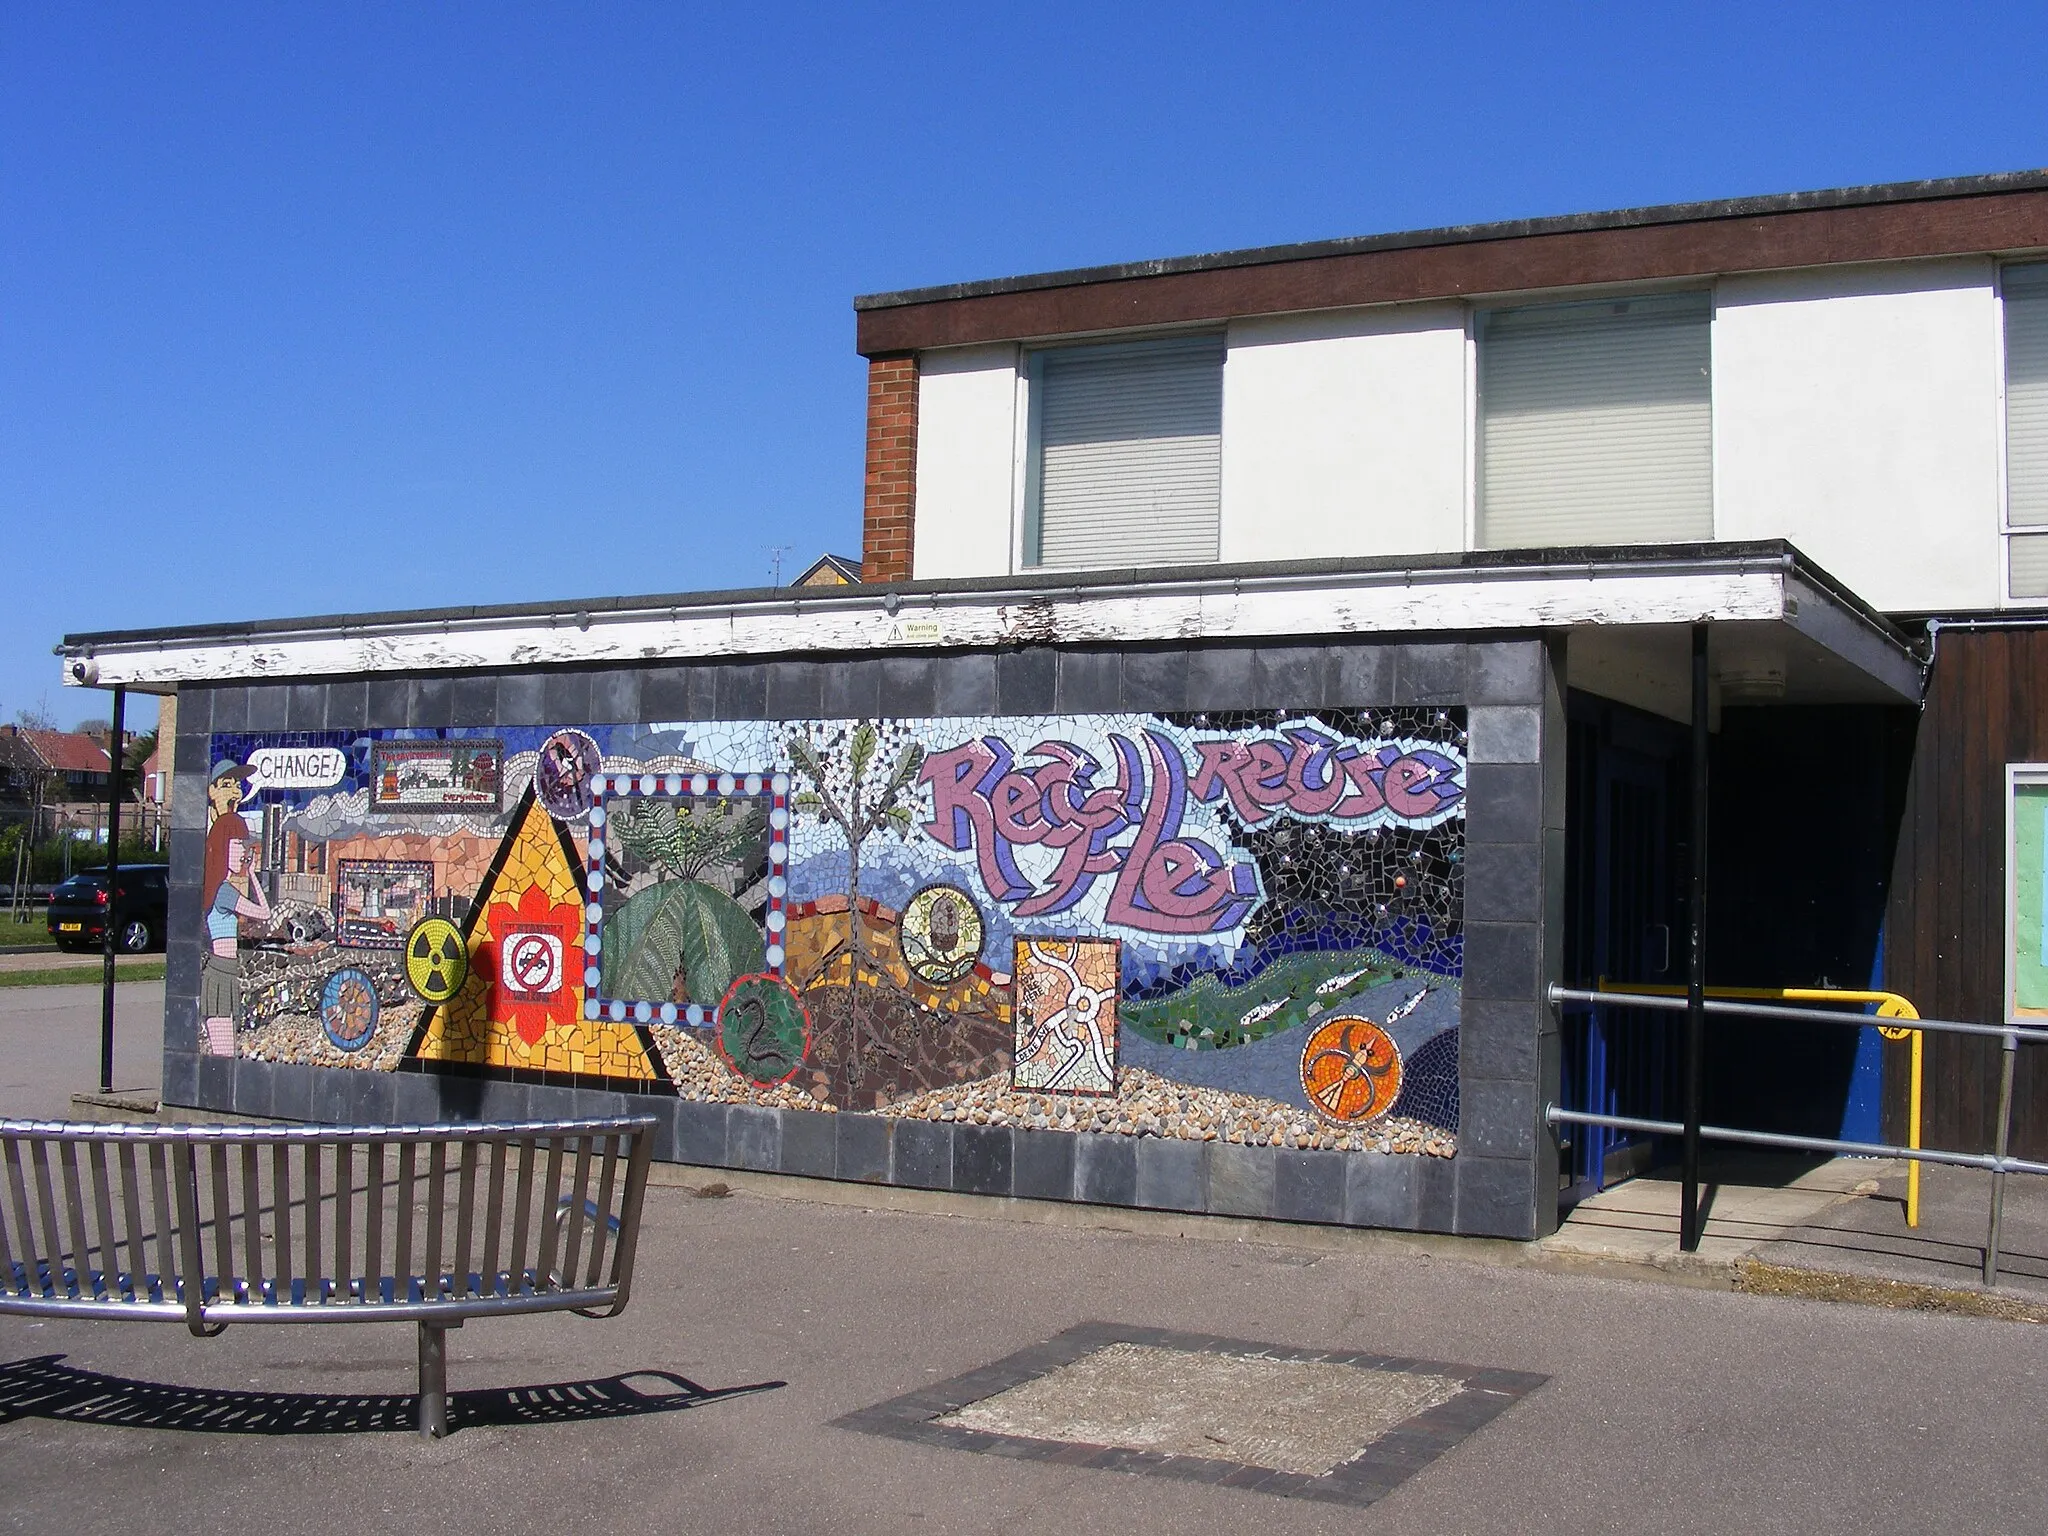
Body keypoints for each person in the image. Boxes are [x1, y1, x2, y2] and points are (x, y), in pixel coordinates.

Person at [199, 810, 271, 1056]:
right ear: (222, 847)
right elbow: (264, 912)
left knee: (225, 1048)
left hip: (225, 971)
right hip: (219, 973)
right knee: (224, 1052)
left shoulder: (221, 887)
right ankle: (218, 1093)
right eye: (238, 843)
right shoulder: (224, 892)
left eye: (244, 843)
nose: (243, 851)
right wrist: (252, 875)